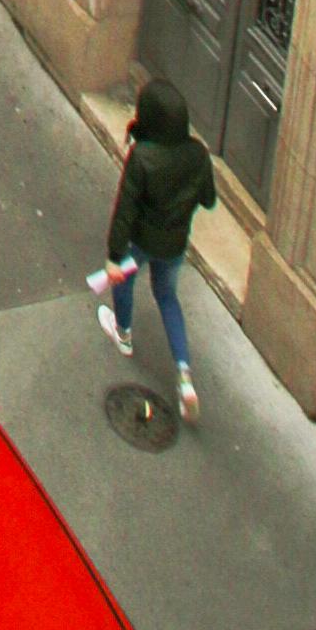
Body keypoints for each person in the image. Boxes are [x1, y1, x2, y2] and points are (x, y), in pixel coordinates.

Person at [92, 76, 216, 422]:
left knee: (125, 282)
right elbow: (208, 199)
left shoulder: (142, 156)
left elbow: (125, 210)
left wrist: (115, 255)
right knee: (168, 297)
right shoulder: (197, 155)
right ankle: (184, 375)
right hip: (174, 243)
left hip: (142, 241)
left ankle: (124, 332)